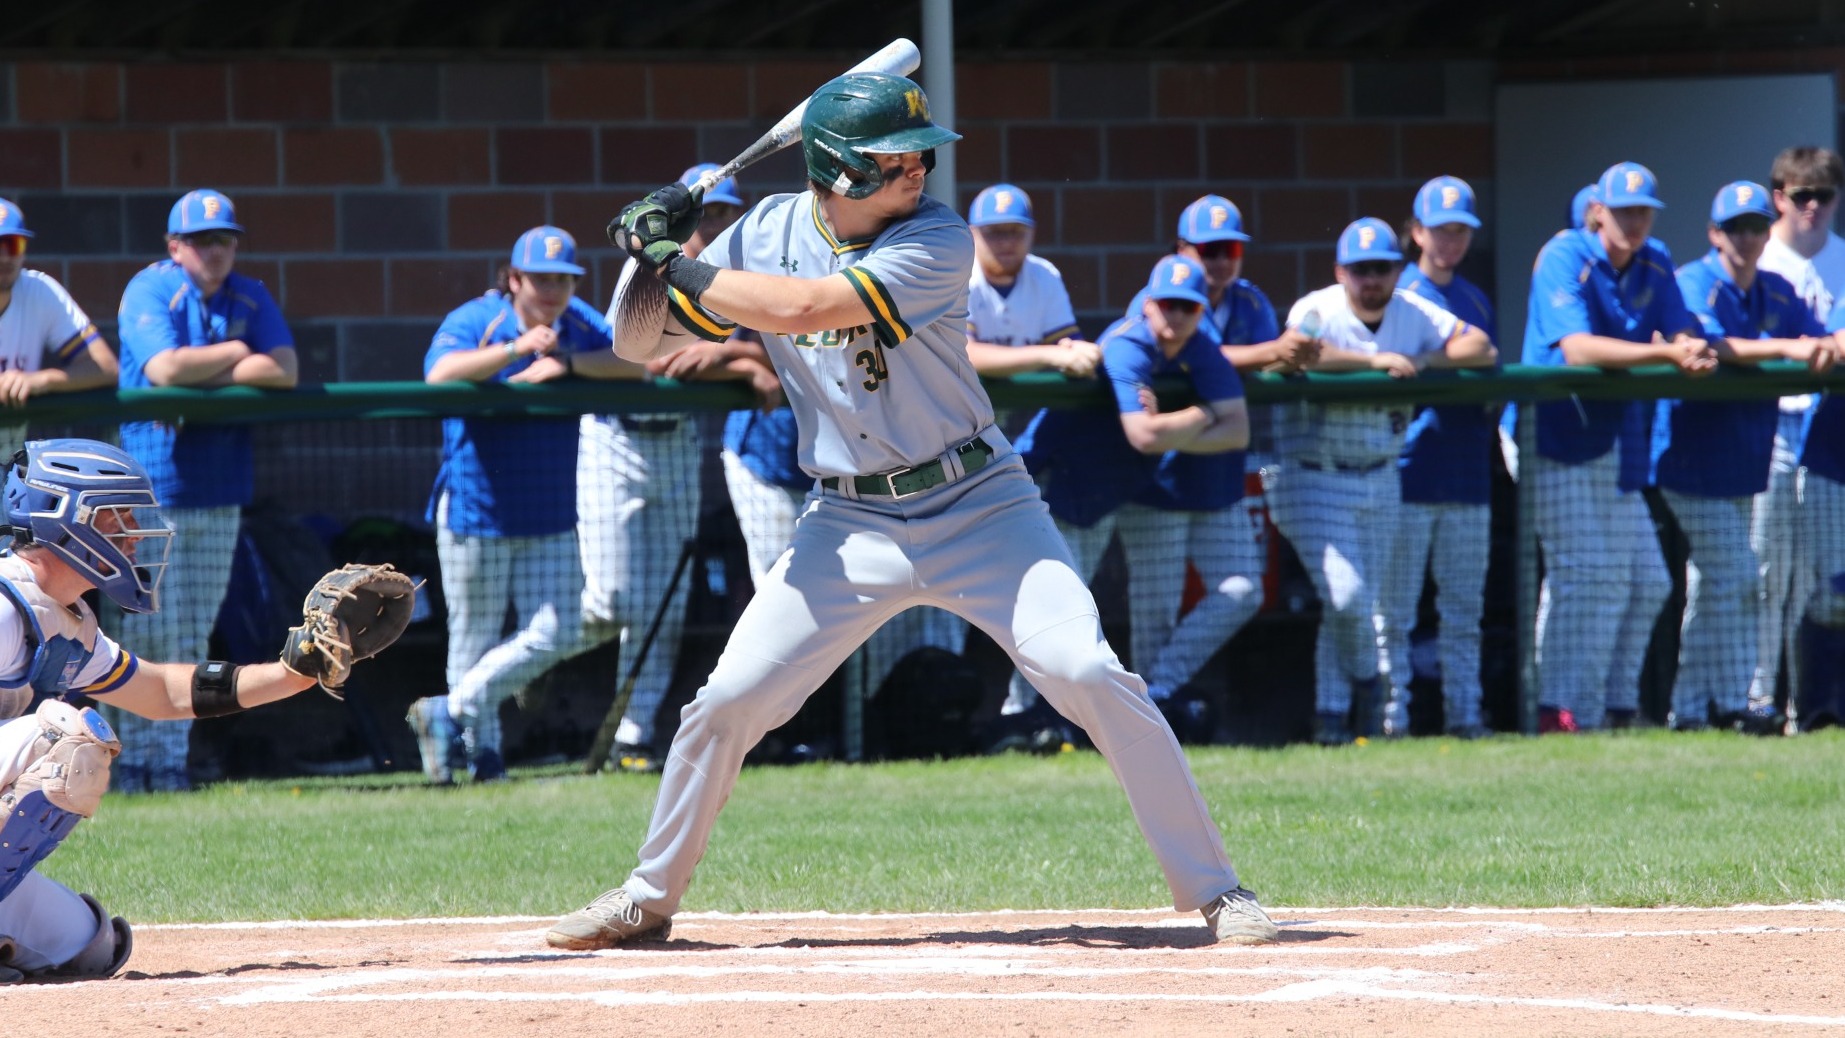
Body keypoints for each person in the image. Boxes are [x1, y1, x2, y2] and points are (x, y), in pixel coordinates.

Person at [548, 71, 1278, 949]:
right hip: (846, 523)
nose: (918, 172)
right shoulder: (763, 232)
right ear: (838, 169)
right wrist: (648, 257)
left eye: (919, 156)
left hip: (978, 503)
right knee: (727, 700)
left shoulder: (938, 237)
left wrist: (681, 261)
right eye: (895, 159)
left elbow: (807, 306)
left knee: (1088, 673)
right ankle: (649, 894)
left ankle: (1216, 890)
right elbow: (638, 341)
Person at [0, 439, 341, 982]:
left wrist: (294, 672)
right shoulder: (3, 608)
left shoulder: (63, 621)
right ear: (61, 519)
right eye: (116, 516)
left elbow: (164, 693)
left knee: (91, 948)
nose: (134, 533)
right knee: (65, 739)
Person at [409, 227, 642, 783]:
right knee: (474, 636)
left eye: (563, 279)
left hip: (550, 512)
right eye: (540, 279)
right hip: (476, 509)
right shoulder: (477, 320)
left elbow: (635, 362)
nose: (553, 290)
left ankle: (448, 711)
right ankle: (480, 757)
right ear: (513, 280)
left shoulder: (579, 321)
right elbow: (437, 374)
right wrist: (515, 350)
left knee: (560, 630)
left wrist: (567, 362)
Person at [581, 164, 781, 773]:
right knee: (607, 603)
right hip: (616, 441)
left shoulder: (737, 273)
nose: (719, 224)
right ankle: (492, 692)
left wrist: (737, 355)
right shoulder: (648, 263)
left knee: (660, 605)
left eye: (727, 213)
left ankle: (633, 735)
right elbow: (660, 362)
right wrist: (745, 364)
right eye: (709, 213)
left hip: (676, 444)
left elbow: (761, 346)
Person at [1266, 217, 1494, 746]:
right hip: (1313, 473)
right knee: (1346, 597)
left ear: (1397, 271)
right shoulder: (1319, 307)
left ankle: (1332, 716)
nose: (1372, 280)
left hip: (1380, 475)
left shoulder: (1411, 312)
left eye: (1382, 269)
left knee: (1352, 602)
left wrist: (1420, 358)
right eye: (1361, 270)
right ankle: (1368, 688)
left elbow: (1479, 346)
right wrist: (1377, 361)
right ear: (1340, 271)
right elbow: (1299, 351)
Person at [1005, 255, 1252, 741]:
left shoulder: (1200, 346)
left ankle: (1140, 714)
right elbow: (1143, 434)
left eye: (1188, 306)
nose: (1176, 316)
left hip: (1121, 485)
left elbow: (1238, 431)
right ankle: (1018, 713)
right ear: (1148, 305)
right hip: (1068, 480)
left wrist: (1176, 424)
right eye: (1167, 305)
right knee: (1060, 608)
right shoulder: (1128, 343)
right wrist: (1202, 414)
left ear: (1201, 311)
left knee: (1119, 609)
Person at [111, 189, 299, 792]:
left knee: (190, 633)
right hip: (149, 491)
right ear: (175, 248)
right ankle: (128, 760)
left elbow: (285, 370)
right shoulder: (149, 288)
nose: (215, 250)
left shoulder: (251, 292)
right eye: (201, 240)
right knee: (140, 633)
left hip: (218, 491)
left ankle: (167, 762)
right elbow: (163, 370)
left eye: (224, 239)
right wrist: (239, 354)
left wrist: (210, 367)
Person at [1523, 161, 1715, 733]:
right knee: (1589, 573)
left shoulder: (1654, 257)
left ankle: (1614, 703)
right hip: (1548, 434)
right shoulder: (1564, 254)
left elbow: (1680, 327)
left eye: (1642, 212)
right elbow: (1578, 350)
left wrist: (1689, 347)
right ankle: (1561, 708)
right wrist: (1666, 355)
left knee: (1648, 580)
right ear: (1598, 212)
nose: (1633, 222)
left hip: (1605, 438)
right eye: (1622, 211)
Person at [1661, 182, 1836, 732]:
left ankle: (1690, 709)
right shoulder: (1693, 279)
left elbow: (1822, 338)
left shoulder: (1778, 289)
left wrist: (1828, 344)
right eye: (1735, 227)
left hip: (1745, 461)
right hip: (1689, 461)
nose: (1748, 237)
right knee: (1739, 574)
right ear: (1715, 234)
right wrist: (1790, 348)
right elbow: (1712, 344)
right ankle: (1738, 702)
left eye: (1757, 226)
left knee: (1712, 584)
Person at [1378, 176, 1499, 738]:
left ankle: (1465, 716)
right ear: (1418, 232)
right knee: (1395, 611)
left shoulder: (1474, 298)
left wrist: (1429, 361)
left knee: (1463, 611)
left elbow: (1487, 357)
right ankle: (1390, 719)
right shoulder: (1392, 290)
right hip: (1407, 471)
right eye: (1441, 230)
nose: (1451, 241)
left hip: (1467, 471)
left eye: (1461, 231)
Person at [1753, 146, 1845, 724]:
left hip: (1830, 438)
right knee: (1765, 572)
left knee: (1824, 577)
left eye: (1823, 196)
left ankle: (1806, 705)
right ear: (1778, 198)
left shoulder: (1843, 258)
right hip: (1765, 429)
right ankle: (1758, 699)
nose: (1811, 207)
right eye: (1800, 195)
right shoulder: (1755, 258)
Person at [0, 199, 119, 457]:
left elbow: (106, 367)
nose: (5, 256)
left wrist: (40, 380)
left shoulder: (38, 291)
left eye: (13, 244)